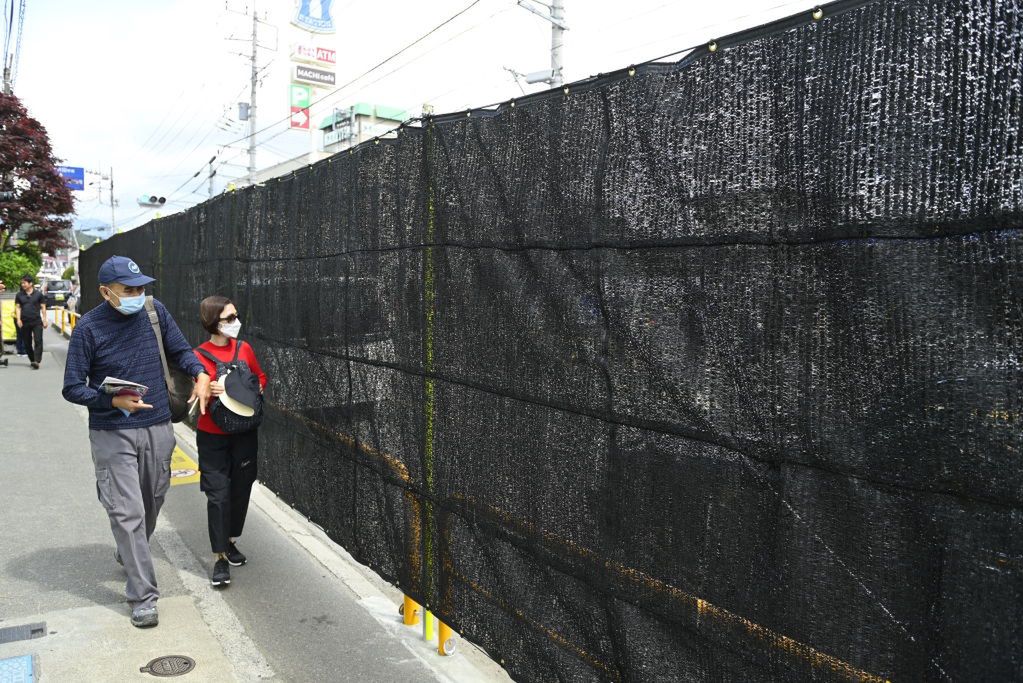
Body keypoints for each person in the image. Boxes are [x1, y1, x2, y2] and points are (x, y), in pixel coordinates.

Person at [62, 256, 211, 628]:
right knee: (127, 513)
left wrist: (201, 373)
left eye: (141, 288)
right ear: (105, 292)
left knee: (152, 498)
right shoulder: (88, 329)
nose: (137, 295)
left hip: (159, 426)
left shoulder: (153, 311)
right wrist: (111, 399)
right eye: (129, 290)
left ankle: (129, 550)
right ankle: (142, 596)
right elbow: (72, 387)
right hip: (112, 432)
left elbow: (180, 351)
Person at [193, 296, 267, 587]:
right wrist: (206, 389)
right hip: (212, 434)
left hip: (245, 432)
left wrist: (236, 386)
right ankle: (219, 557)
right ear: (213, 321)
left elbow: (261, 379)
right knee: (218, 493)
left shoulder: (244, 349)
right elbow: (193, 389)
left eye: (236, 316)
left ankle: (231, 538)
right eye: (228, 318)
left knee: (241, 487)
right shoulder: (197, 355)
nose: (235, 322)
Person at [14, 274, 47, 368]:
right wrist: (18, 319)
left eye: (24, 283)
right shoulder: (19, 295)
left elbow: (43, 307)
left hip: (36, 321)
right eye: (22, 283)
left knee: (38, 340)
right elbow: (18, 308)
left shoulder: (38, 294)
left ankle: (37, 360)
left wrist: (45, 320)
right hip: (25, 322)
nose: (22, 285)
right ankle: (32, 360)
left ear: (30, 283)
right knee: (27, 342)